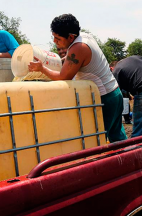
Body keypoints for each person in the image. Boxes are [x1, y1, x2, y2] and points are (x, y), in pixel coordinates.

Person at [28, 14, 127, 142]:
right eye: (53, 37)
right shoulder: (84, 37)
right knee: (117, 136)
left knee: (97, 140)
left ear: (71, 37)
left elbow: (63, 77)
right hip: (114, 93)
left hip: (105, 98)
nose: (54, 41)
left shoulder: (78, 48)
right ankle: (128, 160)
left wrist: (42, 69)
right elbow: (72, 59)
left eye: (57, 38)